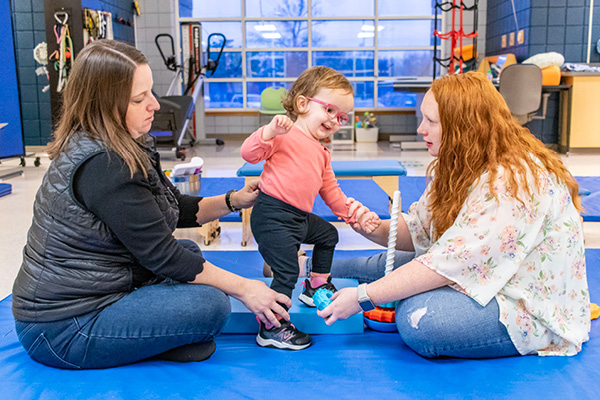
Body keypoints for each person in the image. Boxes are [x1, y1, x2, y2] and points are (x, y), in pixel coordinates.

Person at [11, 40, 291, 369]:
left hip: (107, 287)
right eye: (139, 99)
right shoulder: (104, 163)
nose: (155, 105)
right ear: (103, 105)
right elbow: (160, 254)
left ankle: (158, 338)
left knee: (190, 255)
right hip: (63, 327)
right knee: (212, 305)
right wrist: (247, 289)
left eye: (151, 93)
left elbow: (172, 208)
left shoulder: (125, 140)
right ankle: (156, 338)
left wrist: (235, 200)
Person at [316, 71, 591, 358]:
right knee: (388, 265)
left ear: (465, 126)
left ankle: (374, 289)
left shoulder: (513, 180)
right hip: (477, 269)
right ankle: (300, 267)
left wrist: (364, 297)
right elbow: (420, 230)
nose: (421, 129)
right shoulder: (459, 161)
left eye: (431, 122)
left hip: (522, 303)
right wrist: (369, 227)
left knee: (420, 318)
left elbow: (446, 262)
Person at [240, 66, 380, 350]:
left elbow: (331, 192)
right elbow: (249, 154)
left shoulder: (322, 153)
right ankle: (271, 326)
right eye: (330, 110)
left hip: (297, 218)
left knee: (328, 234)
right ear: (303, 103)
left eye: (342, 116)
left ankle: (315, 286)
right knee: (286, 271)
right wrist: (268, 131)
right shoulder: (283, 134)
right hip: (271, 216)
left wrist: (355, 215)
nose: (336, 121)